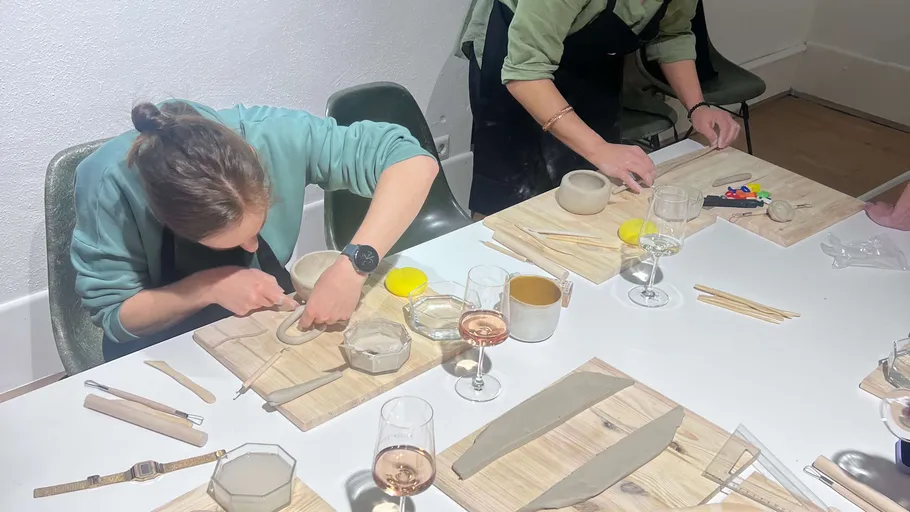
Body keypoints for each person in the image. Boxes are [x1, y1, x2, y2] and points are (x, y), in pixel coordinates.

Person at [72, 100, 438, 361]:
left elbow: (412, 162)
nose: (252, 247)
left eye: (259, 227)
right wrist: (210, 287)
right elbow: (116, 315)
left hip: (255, 331)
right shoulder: (109, 186)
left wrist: (353, 265)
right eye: (224, 244)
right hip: (163, 349)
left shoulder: (276, 135)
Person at [459, 0, 741, 216]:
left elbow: (672, 33)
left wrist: (697, 106)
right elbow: (525, 74)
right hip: (518, 55)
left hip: (589, 60)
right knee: (510, 194)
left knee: (592, 183)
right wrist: (598, 148)